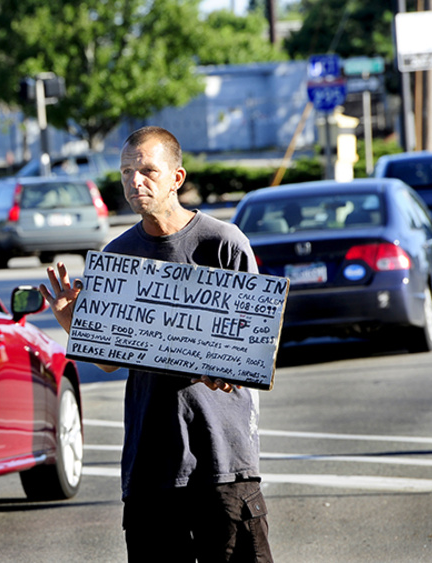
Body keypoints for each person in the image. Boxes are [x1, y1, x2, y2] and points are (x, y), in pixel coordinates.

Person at [40, 126, 273, 562]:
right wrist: (74, 322)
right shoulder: (116, 257)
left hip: (222, 459)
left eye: (147, 170)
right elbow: (109, 362)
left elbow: (255, 348)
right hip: (151, 466)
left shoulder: (223, 244)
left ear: (176, 177)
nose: (134, 181)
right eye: (127, 171)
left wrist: (230, 368)